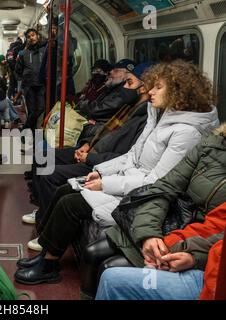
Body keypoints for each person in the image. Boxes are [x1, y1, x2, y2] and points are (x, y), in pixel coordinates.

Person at [14, 60, 219, 285]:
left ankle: (49, 265)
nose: (150, 91)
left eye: (158, 87)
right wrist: (101, 173)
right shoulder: (159, 116)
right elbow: (132, 156)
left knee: (70, 203)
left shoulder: (186, 133)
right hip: (129, 180)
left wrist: (106, 184)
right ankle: (46, 252)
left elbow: (157, 182)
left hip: (146, 196)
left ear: (180, 91)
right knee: (65, 189)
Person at [84, 122, 226, 297]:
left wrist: (194, 256)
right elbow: (164, 187)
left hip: (191, 242)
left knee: (110, 269)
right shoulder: (212, 144)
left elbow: (218, 236)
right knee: (92, 252)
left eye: (156, 90)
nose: (148, 92)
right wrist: (148, 234)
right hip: (168, 221)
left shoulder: (187, 132)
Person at [23, 62, 153, 252]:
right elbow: (106, 131)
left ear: (144, 87)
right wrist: (87, 143)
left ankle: (47, 229)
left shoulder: (144, 119)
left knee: (48, 173)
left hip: (102, 163)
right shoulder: (129, 108)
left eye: (129, 83)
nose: (124, 88)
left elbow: (124, 155)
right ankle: (44, 212)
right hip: (93, 150)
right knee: (43, 156)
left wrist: (89, 158)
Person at [95, 202, 226, 300]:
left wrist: (195, 258)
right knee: (108, 273)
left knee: (112, 277)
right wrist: (154, 240)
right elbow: (213, 227)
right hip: (207, 271)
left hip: (209, 282)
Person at [15, 28, 47, 132]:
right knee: (32, 110)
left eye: (33, 35)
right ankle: (32, 134)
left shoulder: (44, 50)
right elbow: (18, 70)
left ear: (37, 35)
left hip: (41, 83)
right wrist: (25, 76)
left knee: (41, 108)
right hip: (29, 85)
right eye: (28, 37)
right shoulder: (23, 53)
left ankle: (25, 129)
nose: (31, 38)